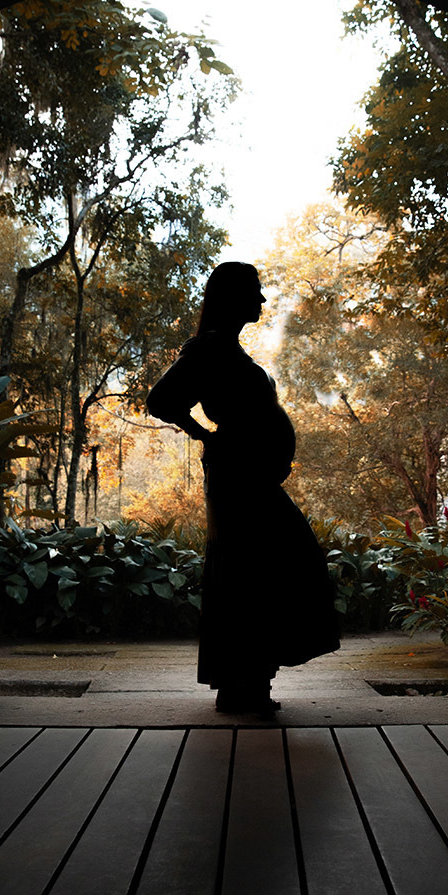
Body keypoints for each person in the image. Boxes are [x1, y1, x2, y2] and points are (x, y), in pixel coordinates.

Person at [146, 261, 340, 716]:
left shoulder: (228, 350)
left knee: (258, 570)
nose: (262, 299)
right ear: (232, 297)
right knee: (254, 570)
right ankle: (242, 683)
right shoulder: (210, 349)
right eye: (255, 290)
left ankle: (246, 681)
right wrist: (205, 434)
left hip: (248, 477)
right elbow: (161, 400)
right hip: (237, 480)